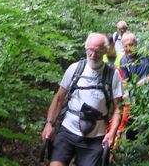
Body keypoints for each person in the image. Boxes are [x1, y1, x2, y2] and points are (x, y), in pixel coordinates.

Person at [41, 33, 123, 166]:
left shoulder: (113, 75)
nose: (92, 54)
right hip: (68, 131)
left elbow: (118, 108)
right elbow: (59, 99)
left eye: (97, 51)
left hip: (95, 138)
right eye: (90, 50)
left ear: (105, 51)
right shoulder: (75, 69)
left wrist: (112, 133)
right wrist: (49, 124)